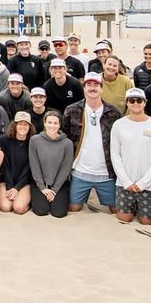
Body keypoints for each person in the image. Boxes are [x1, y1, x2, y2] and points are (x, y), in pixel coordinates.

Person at [62, 73, 122, 214]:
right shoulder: (72, 110)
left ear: (102, 88)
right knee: (74, 208)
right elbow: (65, 136)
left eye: (96, 85)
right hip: (80, 172)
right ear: (84, 88)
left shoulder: (113, 113)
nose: (92, 88)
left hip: (106, 172)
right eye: (88, 85)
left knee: (117, 210)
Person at [29, 110, 72, 218]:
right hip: (40, 183)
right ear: (44, 123)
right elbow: (34, 165)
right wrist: (42, 188)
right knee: (41, 210)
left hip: (59, 184)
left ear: (59, 125)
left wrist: (54, 190)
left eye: (55, 123)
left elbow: (65, 168)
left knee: (59, 213)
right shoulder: (35, 140)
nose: (52, 126)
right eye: (49, 122)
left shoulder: (67, 143)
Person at [0, 112, 33, 215]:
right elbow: (5, 166)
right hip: (7, 180)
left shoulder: (33, 142)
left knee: (18, 208)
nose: (23, 127)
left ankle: (29, 203)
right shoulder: (4, 140)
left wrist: (17, 188)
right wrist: (10, 187)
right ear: (15, 125)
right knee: (5, 207)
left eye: (25, 124)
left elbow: (29, 168)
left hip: (25, 181)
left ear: (30, 127)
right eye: (20, 124)